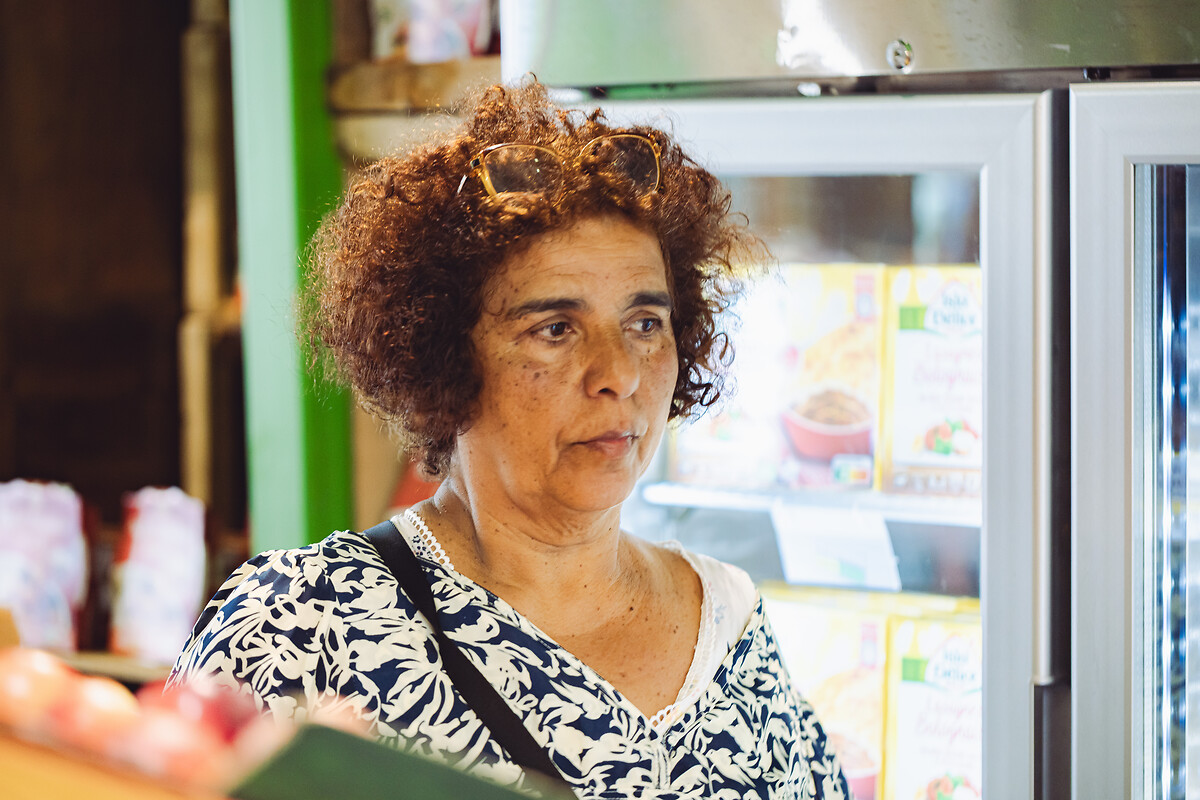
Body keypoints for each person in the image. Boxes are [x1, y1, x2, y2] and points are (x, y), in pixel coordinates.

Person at [170, 80, 849, 799]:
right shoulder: (299, 628)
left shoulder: (729, 623)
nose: (617, 373)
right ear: (443, 359)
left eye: (646, 322)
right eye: (555, 330)